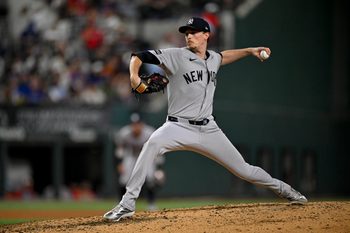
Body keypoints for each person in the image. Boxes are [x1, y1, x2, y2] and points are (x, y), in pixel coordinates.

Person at [103, 17, 307, 222]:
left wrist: (250, 50)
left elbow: (223, 56)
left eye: (194, 32)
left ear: (206, 35)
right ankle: (127, 204)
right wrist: (134, 77)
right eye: (187, 33)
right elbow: (137, 56)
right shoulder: (176, 55)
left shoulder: (213, 59)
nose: (189, 36)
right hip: (177, 126)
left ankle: (286, 190)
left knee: (244, 170)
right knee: (152, 144)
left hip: (209, 129)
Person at [114, 113, 165, 210]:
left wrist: (159, 168)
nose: (136, 127)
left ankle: (151, 204)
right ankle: (120, 204)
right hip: (132, 156)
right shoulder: (124, 133)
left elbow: (158, 151)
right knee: (124, 179)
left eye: (138, 124)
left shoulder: (150, 133)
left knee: (150, 178)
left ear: (142, 125)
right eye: (133, 124)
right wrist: (120, 163)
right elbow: (120, 149)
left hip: (147, 157)